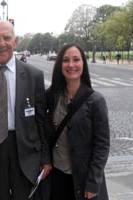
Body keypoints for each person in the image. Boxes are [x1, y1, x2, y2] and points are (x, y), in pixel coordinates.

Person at [0, 20, 51, 200]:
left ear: (15, 41)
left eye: (6, 38)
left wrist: (46, 158)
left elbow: (41, 121)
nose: (1, 43)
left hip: (25, 152)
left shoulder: (34, 76)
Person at [46, 43, 110, 200]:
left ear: (83, 64)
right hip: (57, 177)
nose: (71, 65)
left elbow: (102, 145)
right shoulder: (52, 97)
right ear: (60, 64)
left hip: (84, 180)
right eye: (66, 60)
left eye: (76, 59)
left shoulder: (96, 101)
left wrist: (94, 182)